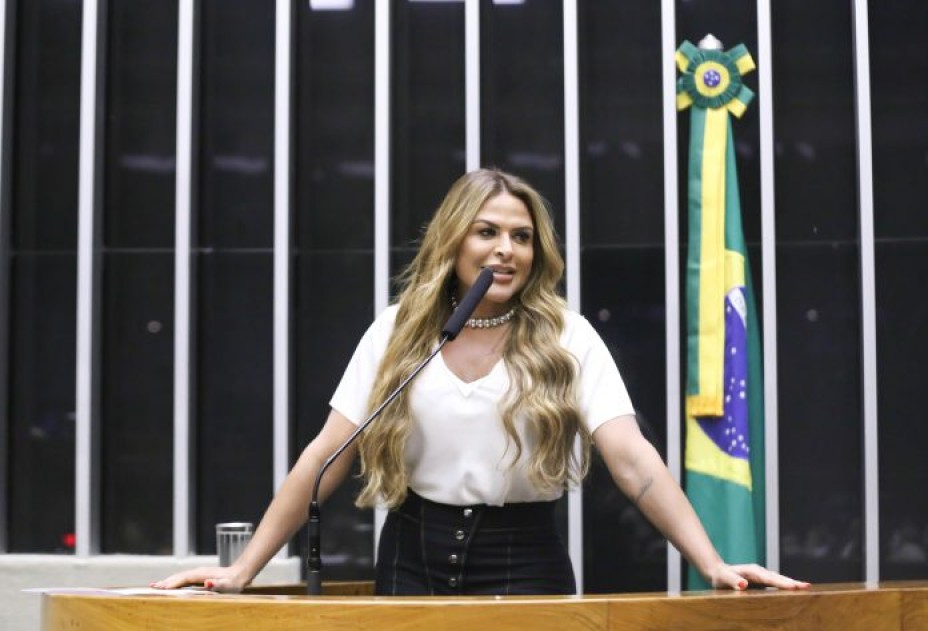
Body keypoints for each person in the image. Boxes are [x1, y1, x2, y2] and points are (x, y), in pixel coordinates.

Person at [153, 168, 809, 596]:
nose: (506, 249)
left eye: (521, 236)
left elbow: (634, 461)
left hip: (525, 562)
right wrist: (244, 570)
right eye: (487, 232)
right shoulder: (397, 331)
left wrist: (711, 562)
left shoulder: (567, 335)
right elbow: (325, 457)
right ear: (453, 242)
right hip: (410, 559)